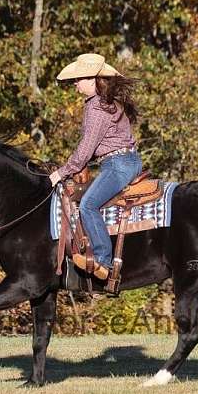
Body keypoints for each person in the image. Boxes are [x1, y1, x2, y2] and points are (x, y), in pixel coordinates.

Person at [49, 53, 142, 280]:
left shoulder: (96, 107)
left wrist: (61, 172)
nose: (75, 84)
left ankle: (103, 261)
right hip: (126, 162)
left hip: (117, 165)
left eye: (78, 79)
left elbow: (86, 148)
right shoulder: (108, 103)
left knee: (88, 204)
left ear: (92, 80)